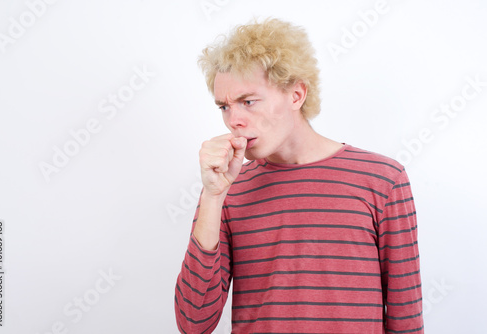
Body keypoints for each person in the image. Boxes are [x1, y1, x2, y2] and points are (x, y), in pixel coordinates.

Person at [174, 17, 424, 334]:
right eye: (224, 106)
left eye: (248, 101)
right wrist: (212, 196)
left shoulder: (383, 179)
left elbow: (406, 317)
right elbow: (193, 324)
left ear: (296, 95)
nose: (234, 120)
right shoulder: (226, 188)